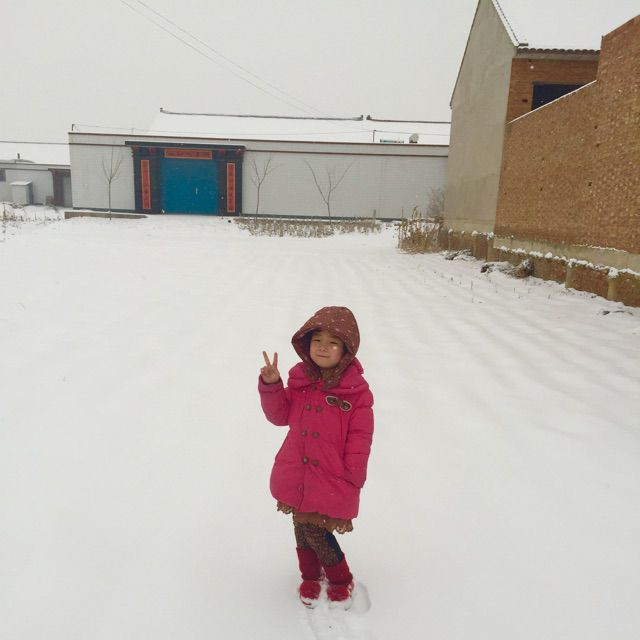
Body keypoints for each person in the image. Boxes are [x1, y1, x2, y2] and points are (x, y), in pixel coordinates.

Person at [258, 306, 374, 609]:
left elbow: (360, 437)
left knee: (315, 529)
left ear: (345, 351)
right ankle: (310, 575)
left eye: (333, 342)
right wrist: (272, 385)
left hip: (332, 475)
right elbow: (280, 415)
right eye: (317, 340)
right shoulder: (300, 381)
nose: (323, 347)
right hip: (296, 470)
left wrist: (354, 475)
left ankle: (341, 578)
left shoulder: (356, 393)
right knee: (300, 527)